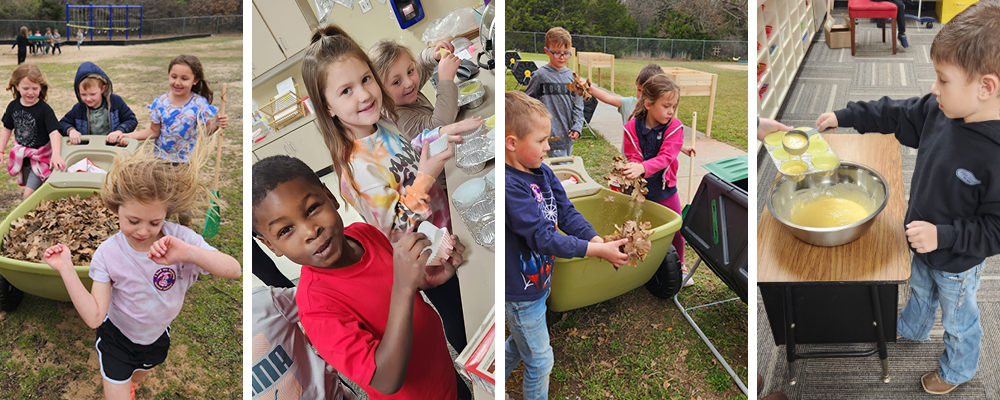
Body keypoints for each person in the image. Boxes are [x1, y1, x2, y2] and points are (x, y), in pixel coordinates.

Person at [802, 2, 1000, 393]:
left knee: (959, 320)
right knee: (920, 287)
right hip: (919, 236)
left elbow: (995, 229)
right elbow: (896, 113)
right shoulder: (940, 110)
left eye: (943, 80)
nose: (933, 88)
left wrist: (944, 237)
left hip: (958, 259)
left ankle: (958, 370)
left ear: (986, 87)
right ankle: (913, 328)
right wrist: (848, 115)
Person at [300, 25, 480, 354]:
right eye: (346, 91)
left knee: (479, 298)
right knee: (462, 320)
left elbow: (412, 145)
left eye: (366, 79)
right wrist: (425, 175)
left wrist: (447, 131)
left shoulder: (380, 123)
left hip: (447, 228)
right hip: (428, 257)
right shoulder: (357, 167)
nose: (365, 94)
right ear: (327, 108)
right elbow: (395, 229)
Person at [251, 154, 469, 400]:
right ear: (271, 246)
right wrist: (403, 288)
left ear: (330, 197)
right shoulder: (316, 308)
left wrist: (425, 278)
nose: (311, 231)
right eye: (285, 230)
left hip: (444, 374)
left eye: (312, 209)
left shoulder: (363, 233)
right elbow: (385, 380)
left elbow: (395, 286)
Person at [42, 135, 241, 400]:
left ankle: (133, 380)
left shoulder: (180, 239)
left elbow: (233, 269)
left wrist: (190, 253)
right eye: (133, 220)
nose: (143, 231)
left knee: (142, 372)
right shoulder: (107, 255)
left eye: (155, 222)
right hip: (117, 340)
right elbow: (94, 318)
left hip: (157, 337)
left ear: (165, 215)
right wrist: (66, 268)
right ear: (116, 209)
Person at [504, 91, 630, 400]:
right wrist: (597, 251)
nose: (548, 146)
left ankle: (494, 379)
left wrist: (596, 239)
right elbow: (543, 238)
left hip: (538, 284)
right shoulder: (510, 188)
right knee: (540, 359)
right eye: (542, 140)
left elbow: (567, 212)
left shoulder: (543, 171)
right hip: (520, 292)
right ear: (511, 143)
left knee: (520, 342)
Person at [622, 75, 697, 285]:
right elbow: (633, 155)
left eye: (674, 106)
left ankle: (680, 266)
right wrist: (634, 168)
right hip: (640, 192)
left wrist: (642, 167)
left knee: (676, 228)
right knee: (638, 229)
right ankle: (641, 263)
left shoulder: (675, 127)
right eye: (666, 106)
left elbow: (666, 157)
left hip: (665, 190)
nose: (671, 111)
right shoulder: (631, 128)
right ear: (648, 104)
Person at [118, 55, 228, 162]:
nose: (177, 82)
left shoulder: (199, 103)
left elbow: (206, 131)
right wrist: (131, 135)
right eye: (174, 77)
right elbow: (154, 131)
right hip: (160, 159)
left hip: (187, 161)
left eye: (184, 78)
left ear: (195, 80)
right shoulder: (160, 102)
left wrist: (216, 124)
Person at [368, 39, 462, 140]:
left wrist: (434, 55)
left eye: (410, 71)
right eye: (396, 82)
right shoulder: (398, 118)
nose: (409, 83)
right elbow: (439, 128)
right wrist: (445, 80)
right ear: (380, 91)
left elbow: (422, 62)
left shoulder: (403, 93)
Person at [1, 64, 66, 199]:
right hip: (23, 156)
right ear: (17, 86)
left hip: (41, 157)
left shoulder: (45, 109)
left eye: (35, 88)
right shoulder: (13, 106)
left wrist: (56, 154)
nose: (30, 92)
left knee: (28, 195)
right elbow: (7, 129)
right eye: (26, 88)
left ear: (41, 87)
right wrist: (1, 151)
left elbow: (54, 133)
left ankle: (29, 216)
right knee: (34, 190)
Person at [524, 27, 584, 158]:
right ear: (547, 51)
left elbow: (578, 105)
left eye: (566, 53)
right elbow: (526, 102)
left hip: (568, 135)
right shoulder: (540, 75)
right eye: (557, 53)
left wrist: (577, 126)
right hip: (551, 136)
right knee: (563, 168)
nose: (562, 57)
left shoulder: (573, 77)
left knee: (564, 166)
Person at [60, 62, 138, 144]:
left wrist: (119, 131)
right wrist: (71, 131)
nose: (88, 98)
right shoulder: (78, 108)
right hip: (87, 150)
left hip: (113, 148)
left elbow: (131, 119)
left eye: (93, 94)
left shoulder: (116, 102)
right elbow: (63, 123)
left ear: (103, 89)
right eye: (83, 94)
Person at [588, 63, 667, 126]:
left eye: (647, 92)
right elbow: (608, 98)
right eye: (639, 90)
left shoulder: (662, 113)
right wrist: (589, 88)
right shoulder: (629, 104)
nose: (642, 96)